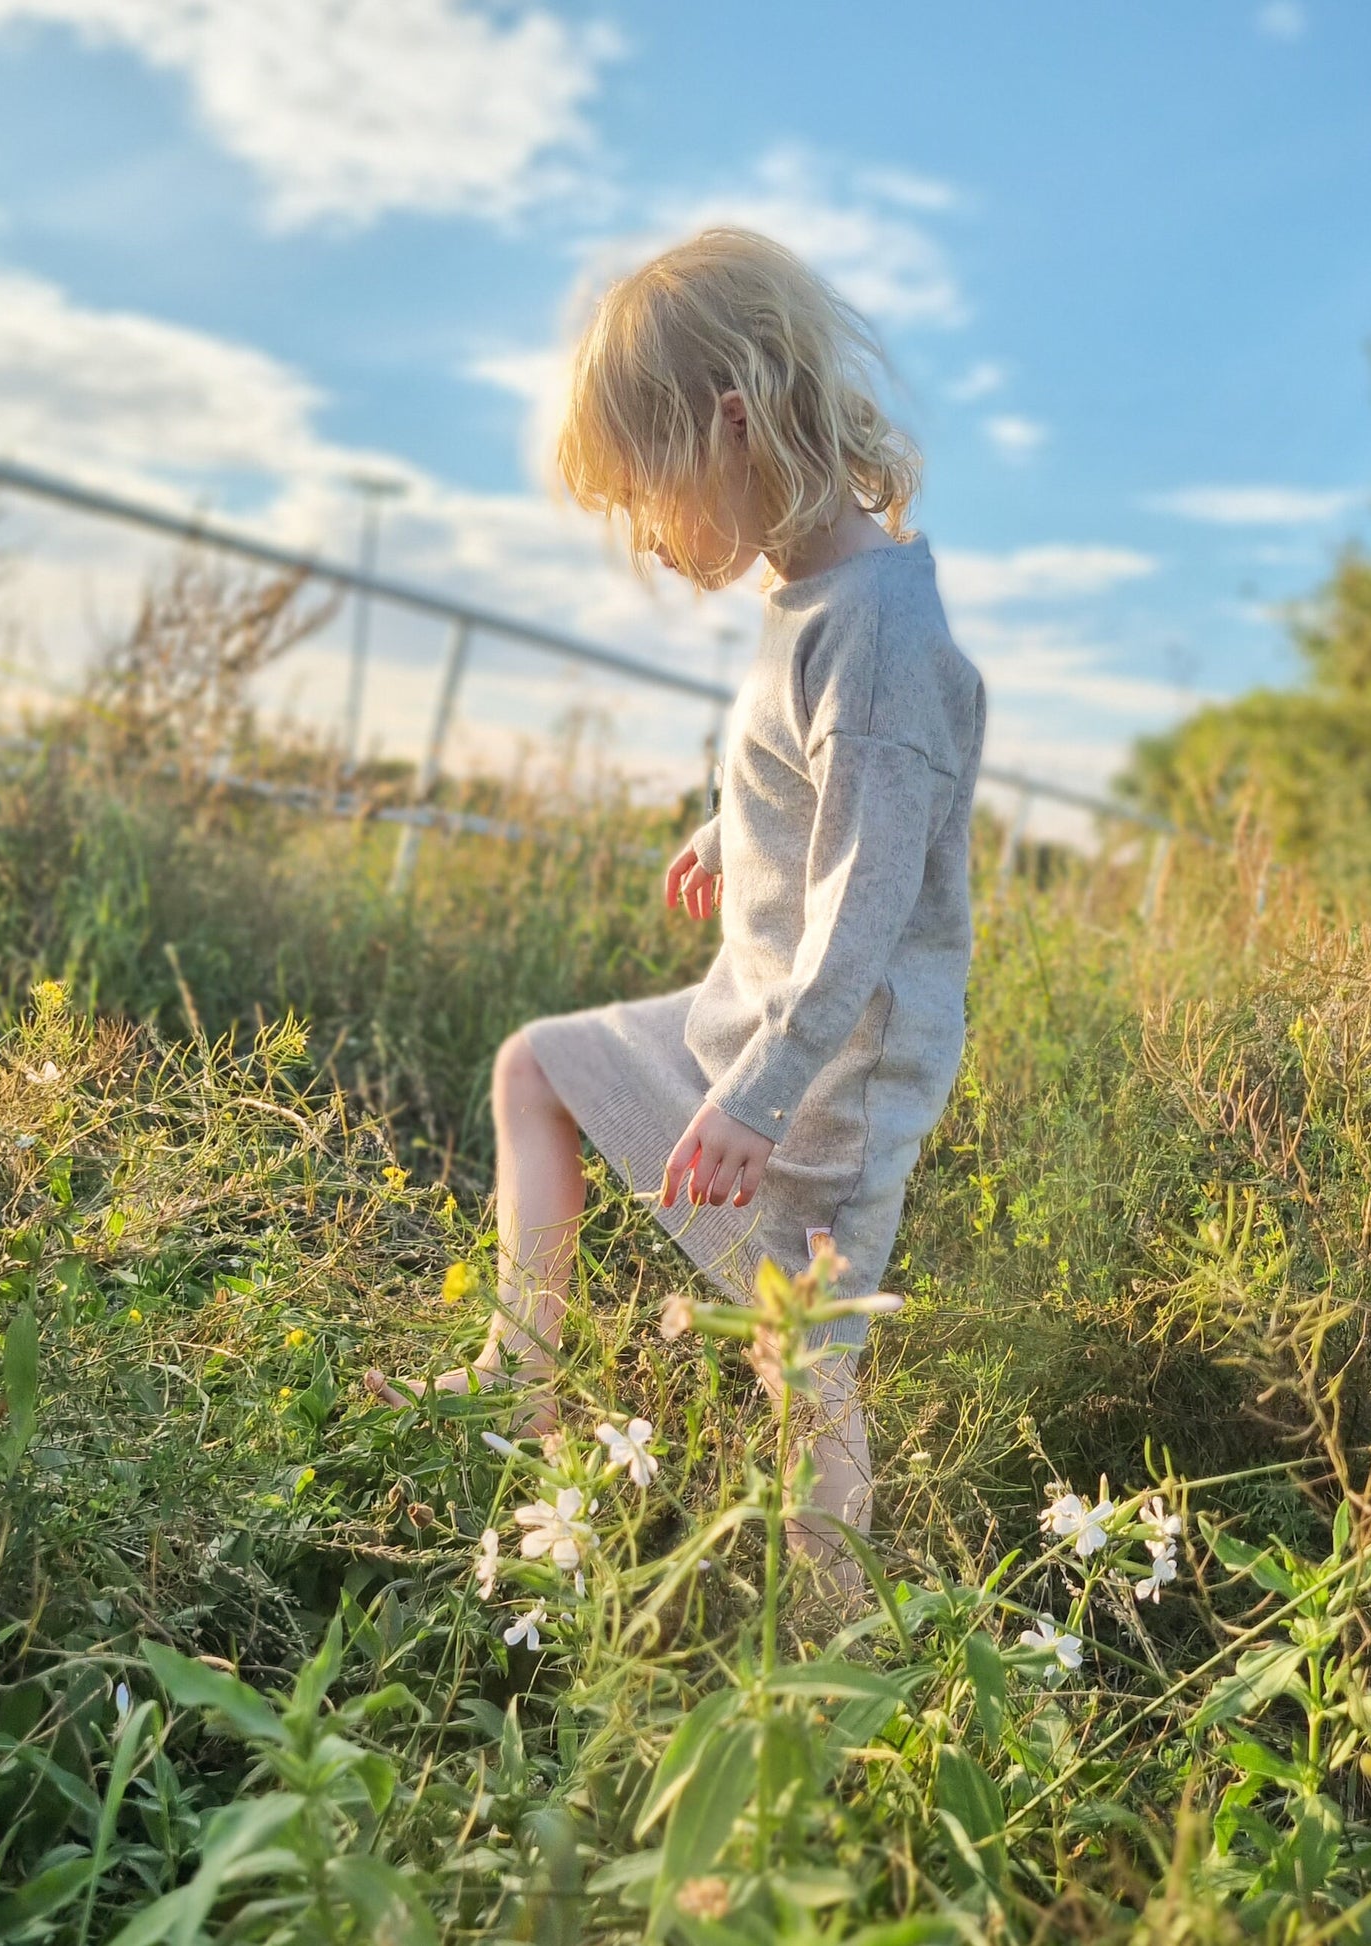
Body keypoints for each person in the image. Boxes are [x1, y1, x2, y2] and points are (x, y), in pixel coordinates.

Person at [368, 227, 986, 1568]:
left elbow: (864, 903)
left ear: (735, 420)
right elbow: (824, 784)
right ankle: (517, 1372)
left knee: (798, 1348)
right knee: (537, 1066)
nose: (646, 540)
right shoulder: (816, 597)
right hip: (749, 1014)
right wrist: (733, 825)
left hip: (825, 1068)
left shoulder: (880, 634)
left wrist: (761, 1098)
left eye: (647, 495)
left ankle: (836, 1626)